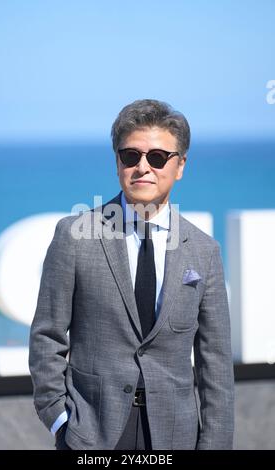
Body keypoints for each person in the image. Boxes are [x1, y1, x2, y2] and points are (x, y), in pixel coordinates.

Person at [29, 99, 234, 450]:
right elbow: (47, 337)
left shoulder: (204, 251)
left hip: (175, 437)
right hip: (91, 436)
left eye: (157, 157)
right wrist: (60, 422)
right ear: (117, 162)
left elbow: (215, 363)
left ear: (180, 165)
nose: (143, 167)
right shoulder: (74, 236)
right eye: (130, 156)